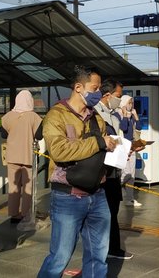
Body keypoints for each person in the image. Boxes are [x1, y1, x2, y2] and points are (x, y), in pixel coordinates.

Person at [38, 66, 118, 278]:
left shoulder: (96, 118)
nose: (99, 93)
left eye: (100, 88)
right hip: (68, 196)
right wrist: (100, 142)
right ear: (78, 87)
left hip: (97, 193)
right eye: (95, 88)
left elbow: (100, 151)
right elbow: (60, 151)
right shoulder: (56, 115)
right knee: (60, 258)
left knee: (98, 255)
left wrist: (117, 152)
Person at [93, 79, 134, 260]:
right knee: (107, 210)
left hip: (114, 169)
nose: (119, 100)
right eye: (118, 96)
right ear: (107, 95)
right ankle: (109, 248)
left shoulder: (112, 113)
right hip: (105, 170)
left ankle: (112, 247)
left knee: (113, 209)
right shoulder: (95, 114)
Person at [1, 90, 43, 224]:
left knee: (13, 187)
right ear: (30, 101)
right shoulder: (34, 117)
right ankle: (26, 214)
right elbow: (39, 136)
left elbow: (3, 135)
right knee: (28, 187)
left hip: (12, 155)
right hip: (28, 156)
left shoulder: (7, 117)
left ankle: (14, 214)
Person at [113, 95, 143, 207]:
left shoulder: (131, 116)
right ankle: (115, 191)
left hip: (132, 147)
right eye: (129, 102)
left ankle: (130, 199)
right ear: (123, 103)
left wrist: (135, 116)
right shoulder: (117, 115)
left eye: (132, 103)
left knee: (132, 175)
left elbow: (139, 127)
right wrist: (125, 116)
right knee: (125, 173)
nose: (131, 105)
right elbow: (123, 128)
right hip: (122, 148)